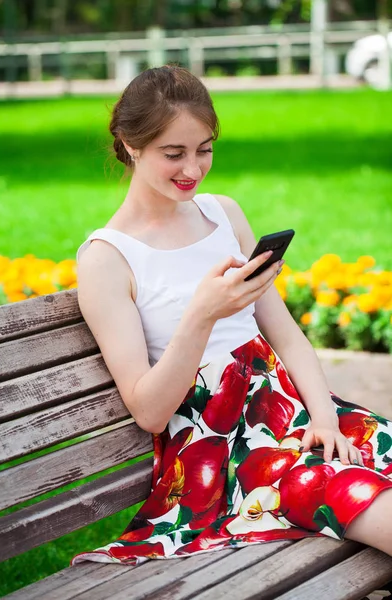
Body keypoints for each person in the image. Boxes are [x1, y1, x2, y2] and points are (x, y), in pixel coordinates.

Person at [71, 65, 392, 566]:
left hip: (297, 411)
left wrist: (327, 419)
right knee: (364, 499)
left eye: (205, 149)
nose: (192, 170)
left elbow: (285, 336)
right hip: (228, 449)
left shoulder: (223, 214)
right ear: (130, 145)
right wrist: (202, 314)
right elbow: (150, 411)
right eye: (173, 153)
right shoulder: (107, 259)